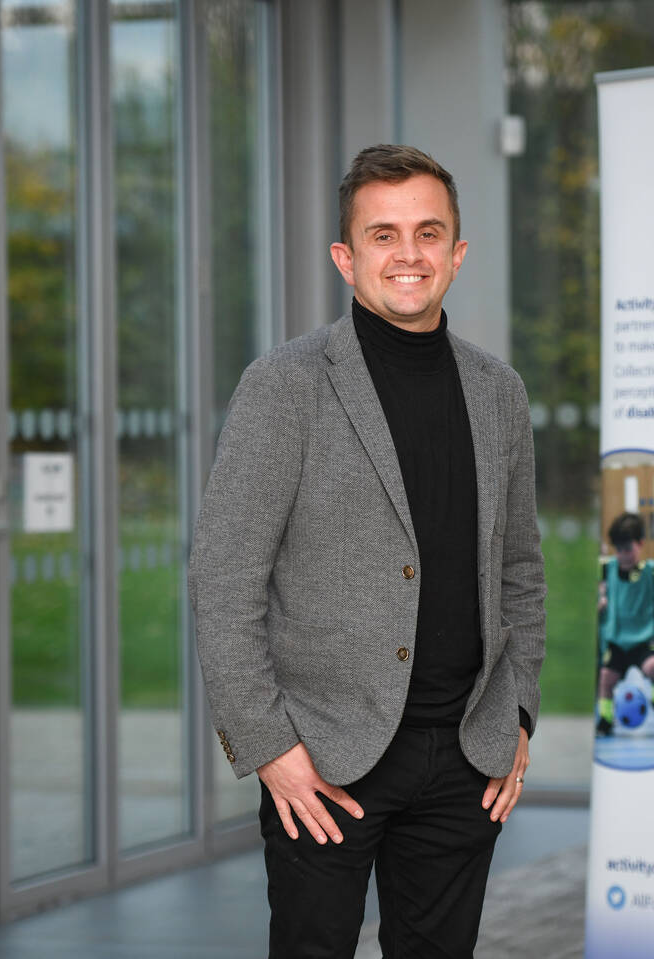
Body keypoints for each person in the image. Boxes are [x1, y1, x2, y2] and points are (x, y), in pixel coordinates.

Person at [189, 144, 546, 958]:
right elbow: (223, 578)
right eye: (383, 236)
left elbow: (521, 569)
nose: (408, 254)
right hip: (325, 761)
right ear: (346, 259)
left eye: (428, 232)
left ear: (457, 253)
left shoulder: (500, 393)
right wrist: (270, 747)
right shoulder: (285, 386)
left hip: (467, 757)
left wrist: (518, 710)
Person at [595, 512, 654, 736]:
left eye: (628, 549)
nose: (623, 555)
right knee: (605, 679)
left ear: (640, 544)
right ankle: (606, 719)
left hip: (643, 639)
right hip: (617, 640)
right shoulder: (607, 568)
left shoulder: (651, 570)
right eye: (618, 550)